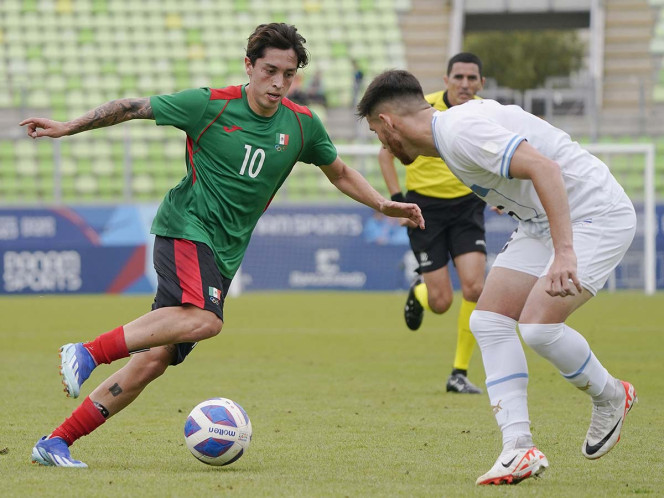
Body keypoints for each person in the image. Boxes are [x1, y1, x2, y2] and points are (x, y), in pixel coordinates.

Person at [21, 23, 424, 468]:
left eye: (288, 74)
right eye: (270, 70)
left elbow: (341, 172)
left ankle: (56, 442)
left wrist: (384, 204)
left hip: (224, 251)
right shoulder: (209, 104)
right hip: (187, 227)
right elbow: (132, 107)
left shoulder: (302, 124)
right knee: (206, 321)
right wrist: (66, 128)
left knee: (152, 361)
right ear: (249, 66)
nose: (278, 82)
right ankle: (86, 351)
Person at [357, 69, 637, 485]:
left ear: (388, 123)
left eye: (377, 134)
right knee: (487, 320)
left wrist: (564, 253)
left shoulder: (459, 131)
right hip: (542, 221)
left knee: (539, 328)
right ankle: (518, 448)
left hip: (595, 215)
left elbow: (545, 169)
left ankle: (611, 394)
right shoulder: (451, 134)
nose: (382, 144)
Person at [378, 53, 486, 395]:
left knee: (474, 288)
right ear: (446, 80)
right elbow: (385, 152)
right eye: (459, 77)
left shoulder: (485, 112)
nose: (465, 84)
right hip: (425, 208)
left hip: (468, 205)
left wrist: (500, 194)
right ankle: (421, 292)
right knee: (441, 302)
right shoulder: (421, 109)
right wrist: (396, 199)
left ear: (481, 83)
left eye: (472, 78)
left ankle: (459, 372)